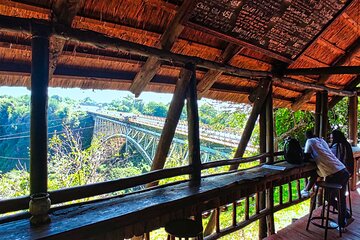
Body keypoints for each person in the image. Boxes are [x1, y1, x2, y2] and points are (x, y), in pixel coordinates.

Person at [301, 130, 350, 229]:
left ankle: (344, 216)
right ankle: (343, 222)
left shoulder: (309, 141)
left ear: (307, 136)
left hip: (334, 173)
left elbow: (305, 157)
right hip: (343, 170)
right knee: (341, 198)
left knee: (329, 198)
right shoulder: (321, 141)